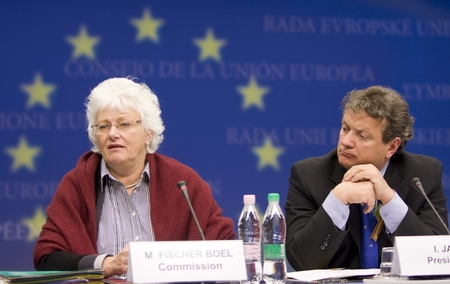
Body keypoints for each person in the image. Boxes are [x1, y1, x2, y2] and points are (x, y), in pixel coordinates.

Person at [33, 77, 235, 278]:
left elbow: (225, 248)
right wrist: (106, 264)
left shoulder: (182, 182)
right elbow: (46, 257)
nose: (113, 133)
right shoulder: (77, 184)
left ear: (148, 133)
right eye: (103, 126)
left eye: (124, 124)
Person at [285, 85, 449, 271]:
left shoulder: (423, 175)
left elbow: (438, 260)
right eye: (345, 128)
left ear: (391, 147)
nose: (346, 141)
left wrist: (389, 199)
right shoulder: (308, 176)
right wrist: (337, 199)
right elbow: (301, 261)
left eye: (362, 136)